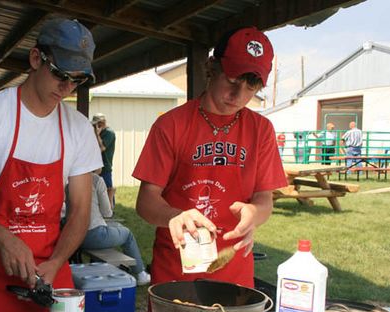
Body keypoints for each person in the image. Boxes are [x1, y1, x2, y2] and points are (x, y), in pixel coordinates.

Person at [0, 18, 102, 312]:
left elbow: (81, 210)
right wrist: (5, 239)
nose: (67, 87)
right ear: (35, 58)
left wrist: (56, 262)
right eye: (60, 75)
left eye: (77, 80)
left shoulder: (78, 129)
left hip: (50, 273)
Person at [132, 27, 288, 289]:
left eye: (251, 86)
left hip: (234, 271)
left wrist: (255, 212)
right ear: (212, 66)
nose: (238, 95)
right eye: (232, 79)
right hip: (176, 271)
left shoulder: (261, 130)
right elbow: (146, 202)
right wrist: (174, 216)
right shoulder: (172, 124)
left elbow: (264, 200)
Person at [81, 170, 151, 285]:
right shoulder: (96, 179)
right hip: (93, 235)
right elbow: (107, 213)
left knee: (116, 227)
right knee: (127, 234)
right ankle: (140, 273)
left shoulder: (72, 178)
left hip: (75, 236)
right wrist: (111, 194)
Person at [91, 113, 116, 208]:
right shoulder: (94, 132)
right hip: (95, 166)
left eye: (99, 124)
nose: (97, 126)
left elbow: (102, 148)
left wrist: (97, 135)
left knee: (108, 189)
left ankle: (110, 208)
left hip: (105, 165)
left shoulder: (109, 133)